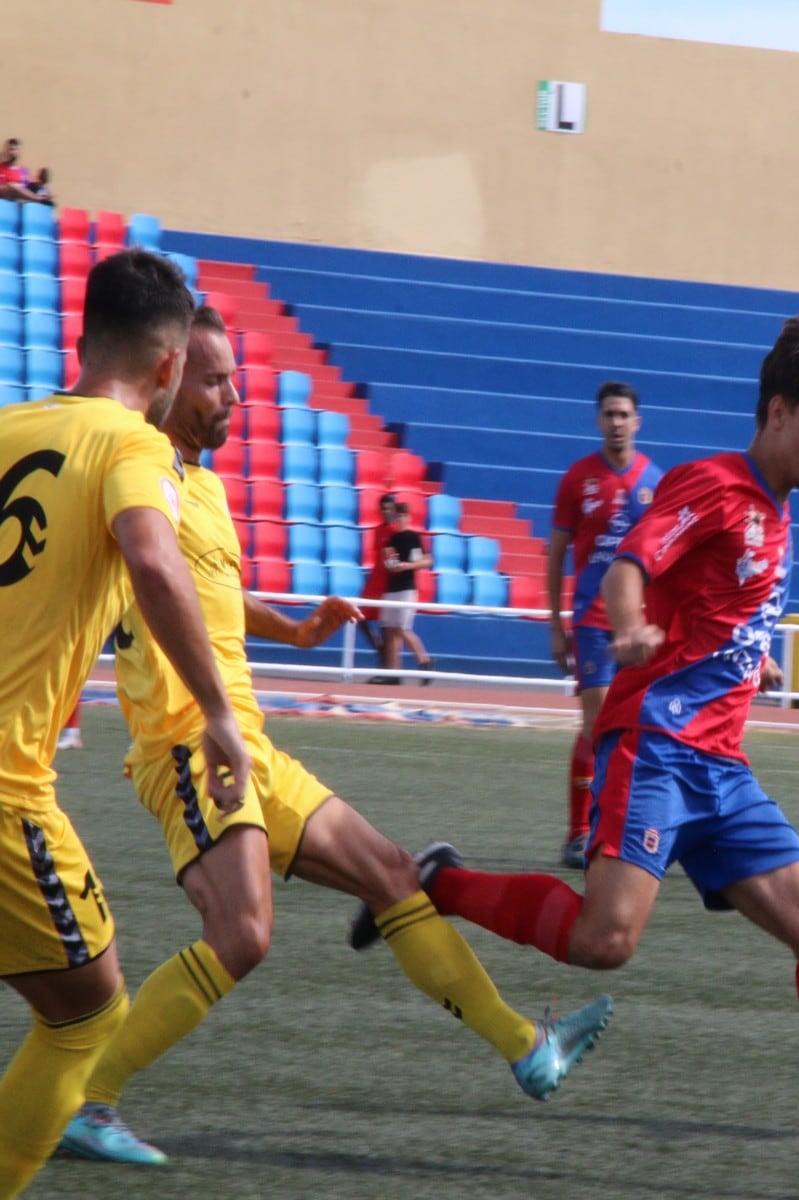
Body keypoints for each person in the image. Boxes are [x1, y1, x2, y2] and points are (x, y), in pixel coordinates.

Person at [351, 316, 799, 1198]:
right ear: (776, 412)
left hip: (721, 769)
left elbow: (725, 610)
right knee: (604, 941)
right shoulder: (711, 485)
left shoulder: (779, 514)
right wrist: (631, 622)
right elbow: (628, 565)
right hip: (654, 749)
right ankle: (438, 881)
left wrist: (748, 657)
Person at [56, 306, 611, 1168]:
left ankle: (526, 1049)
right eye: (213, 379)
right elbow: (151, 581)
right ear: (166, 379)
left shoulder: (196, 483)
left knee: (391, 874)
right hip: (187, 745)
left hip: (243, 744)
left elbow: (204, 594)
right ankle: (89, 1102)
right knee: (242, 935)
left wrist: (298, 631)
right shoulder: (140, 470)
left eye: (237, 377)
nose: (233, 394)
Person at [0, 249, 250, 1199]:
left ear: (81, 339)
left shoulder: (12, 426)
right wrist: (221, 716)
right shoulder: (135, 447)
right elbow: (152, 558)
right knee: (89, 1017)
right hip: (7, 792)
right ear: (166, 370)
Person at [546, 381, 661, 868]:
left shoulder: (656, 481)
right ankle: (578, 833)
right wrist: (555, 624)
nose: (616, 422)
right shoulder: (578, 480)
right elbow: (555, 556)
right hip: (592, 620)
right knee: (596, 723)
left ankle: (621, 827)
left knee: (638, 726)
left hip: (636, 624)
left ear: (637, 422)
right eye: (609, 414)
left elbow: (664, 557)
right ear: (599, 421)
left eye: (624, 414)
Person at [376, 502, 434, 682]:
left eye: (402, 516)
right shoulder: (392, 539)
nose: (399, 519)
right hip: (392, 587)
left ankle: (425, 661)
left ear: (408, 517)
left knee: (402, 629)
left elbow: (424, 561)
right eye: (397, 516)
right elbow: (390, 563)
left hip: (406, 588)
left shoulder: (412, 537)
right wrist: (391, 565)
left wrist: (406, 565)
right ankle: (394, 672)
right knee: (391, 631)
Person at [356, 492, 397, 652]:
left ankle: (385, 665)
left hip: (388, 582)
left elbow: (394, 560)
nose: (385, 512)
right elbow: (379, 556)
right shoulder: (378, 530)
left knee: (385, 624)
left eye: (389, 508)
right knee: (360, 615)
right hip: (375, 580)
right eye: (383, 509)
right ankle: (379, 647)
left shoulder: (396, 531)